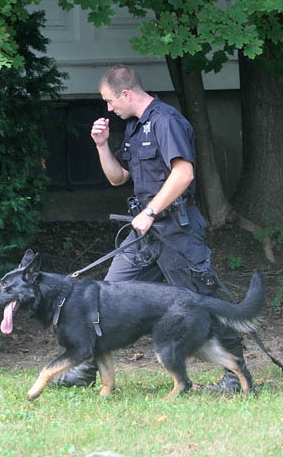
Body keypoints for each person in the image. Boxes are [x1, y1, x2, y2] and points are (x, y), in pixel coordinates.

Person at [54, 65, 252, 393]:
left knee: (203, 299)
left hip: (176, 231)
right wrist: (101, 145)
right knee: (105, 299)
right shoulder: (134, 127)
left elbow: (184, 173)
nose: (108, 108)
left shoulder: (166, 121)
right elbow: (118, 178)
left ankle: (236, 376)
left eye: (109, 100)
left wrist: (150, 210)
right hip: (144, 235)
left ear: (126, 94)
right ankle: (86, 369)